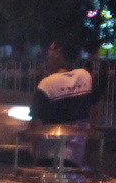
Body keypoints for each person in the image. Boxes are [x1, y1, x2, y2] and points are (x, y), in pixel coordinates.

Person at [29, 38, 97, 167]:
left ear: (58, 53)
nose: (48, 54)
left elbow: (35, 122)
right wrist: (90, 133)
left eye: (50, 50)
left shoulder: (47, 84)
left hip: (49, 153)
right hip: (77, 153)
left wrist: (33, 147)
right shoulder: (86, 77)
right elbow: (96, 107)